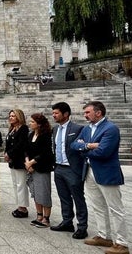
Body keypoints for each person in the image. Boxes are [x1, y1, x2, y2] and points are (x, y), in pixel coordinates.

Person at [71, 101, 130, 254]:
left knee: (115, 208)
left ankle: (122, 244)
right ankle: (103, 236)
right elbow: (74, 145)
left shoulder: (111, 129)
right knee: (97, 205)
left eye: (87, 112)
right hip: (90, 171)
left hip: (106, 172)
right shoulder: (86, 129)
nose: (85, 115)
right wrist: (89, 146)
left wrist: (84, 148)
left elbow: (103, 152)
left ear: (98, 112)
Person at [50, 102, 88, 239]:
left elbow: (81, 147)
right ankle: (67, 222)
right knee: (64, 197)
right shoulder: (55, 129)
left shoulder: (78, 128)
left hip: (72, 169)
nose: (53, 115)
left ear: (65, 114)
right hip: (59, 167)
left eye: (56, 113)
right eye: (53, 113)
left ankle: (82, 227)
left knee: (78, 198)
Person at [25, 113, 54, 228]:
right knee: (35, 193)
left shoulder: (46, 135)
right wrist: (27, 162)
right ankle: (39, 215)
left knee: (44, 192)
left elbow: (46, 153)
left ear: (39, 124)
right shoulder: (31, 134)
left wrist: (32, 162)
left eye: (32, 122)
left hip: (42, 167)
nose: (30, 123)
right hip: (31, 167)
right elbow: (26, 149)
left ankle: (46, 218)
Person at [4, 109, 30, 218]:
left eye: (13, 116)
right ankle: (19, 205)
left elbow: (21, 144)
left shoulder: (23, 128)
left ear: (19, 117)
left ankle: (23, 208)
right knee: (15, 184)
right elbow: (8, 143)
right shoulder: (12, 129)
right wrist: (6, 153)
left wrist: (9, 154)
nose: (11, 118)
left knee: (21, 185)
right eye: (10, 116)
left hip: (19, 160)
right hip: (12, 161)